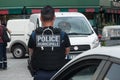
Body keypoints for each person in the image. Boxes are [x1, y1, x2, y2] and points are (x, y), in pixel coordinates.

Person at [28, 5, 71, 80]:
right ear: (54, 18)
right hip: (59, 74)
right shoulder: (63, 35)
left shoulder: (34, 35)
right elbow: (67, 52)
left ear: (41, 18)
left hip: (40, 75)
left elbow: (31, 52)